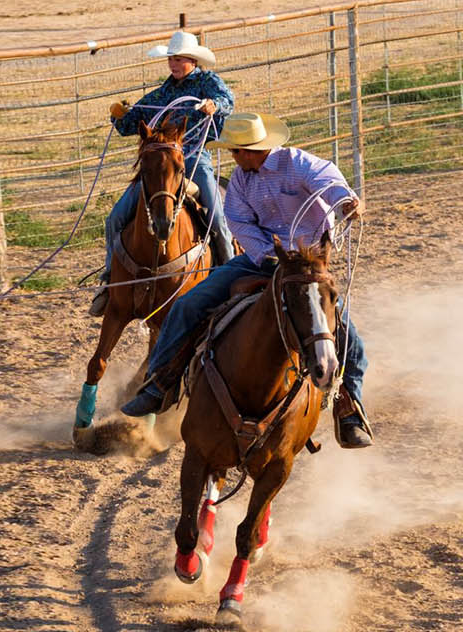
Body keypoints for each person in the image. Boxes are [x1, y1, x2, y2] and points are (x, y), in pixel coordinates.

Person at [119, 112, 373, 448]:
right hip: (261, 261)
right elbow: (239, 222)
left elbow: (328, 182)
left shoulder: (297, 164)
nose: (233, 157)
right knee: (187, 306)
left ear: (252, 150)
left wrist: (346, 203)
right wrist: (268, 253)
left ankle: (349, 410)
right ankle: (158, 385)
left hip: (306, 265)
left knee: (348, 339)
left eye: (236, 151)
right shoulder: (241, 180)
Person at [90, 30, 237, 317]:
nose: (173, 64)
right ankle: (110, 280)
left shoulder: (207, 82)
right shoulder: (161, 94)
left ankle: (230, 277)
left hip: (194, 158)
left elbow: (227, 99)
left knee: (217, 219)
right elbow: (129, 124)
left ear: (192, 60)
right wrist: (119, 114)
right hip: (159, 165)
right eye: (171, 59)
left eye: (179, 59)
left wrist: (213, 105)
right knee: (116, 217)